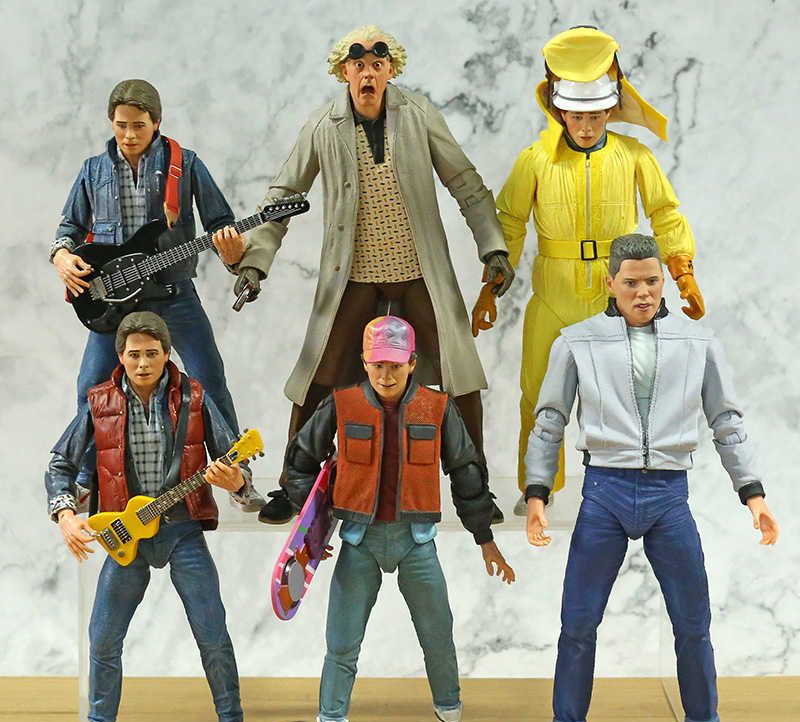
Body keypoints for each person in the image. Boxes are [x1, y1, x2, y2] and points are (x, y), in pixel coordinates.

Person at [215, 25, 513, 524]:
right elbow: (282, 196)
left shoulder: (418, 116)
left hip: (419, 271)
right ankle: (294, 486)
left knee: (458, 373)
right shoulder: (323, 126)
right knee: (319, 374)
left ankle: (475, 490)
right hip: (351, 275)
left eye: (377, 65)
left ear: (391, 69)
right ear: (343, 71)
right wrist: (254, 262)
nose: (368, 75)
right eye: (358, 66)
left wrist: (492, 246)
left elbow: (466, 182)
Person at [523, 233, 779, 722]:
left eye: (652, 281)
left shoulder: (697, 341)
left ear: (664, 281)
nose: (643, 292)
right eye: (631, 282)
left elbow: (726, 420)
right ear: (610, 283)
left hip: (669, 494)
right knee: (578, 620)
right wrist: (538, 492)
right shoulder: (577, 342)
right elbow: (549, 419)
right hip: (605, 491)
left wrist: (752, 492)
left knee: (693, 620)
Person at [475, 26, 703, 510]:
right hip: (552, 295)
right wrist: (490, 287)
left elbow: (665, 213)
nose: (585, 126)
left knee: (624, 397)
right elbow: (509, 221)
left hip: (615, 295)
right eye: (576, 115)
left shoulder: (634, 156)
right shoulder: (536, 160)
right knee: (539, 393)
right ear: (559, 110)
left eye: (595, 114)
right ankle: (538, 487)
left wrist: (682, 269)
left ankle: (623, 486)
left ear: (611, 110)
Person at [282, 315, 515, 722]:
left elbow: (466, 472)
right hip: (359, 541)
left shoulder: (437, 407)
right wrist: (311, 533)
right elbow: (302, 460)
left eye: (395, 365)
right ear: (364, 362)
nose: (385, 375)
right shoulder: (342, 404)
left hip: (416, 542)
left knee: (438, 639)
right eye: (377, 364)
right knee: (341, 645)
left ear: (412, 363)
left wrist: (485, 539)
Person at [46, 311, 257, 722]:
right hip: (128, 538)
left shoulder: (195, 398)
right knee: (103, 637)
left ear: (167, 354)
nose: (143, 363)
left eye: (152, 353)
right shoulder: (99, 402)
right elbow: (60, 463)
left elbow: (236, 461)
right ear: (120, 357)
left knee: (212, 633)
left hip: (182, 530)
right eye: (134, 354)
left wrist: (238, 480)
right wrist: (64, 514)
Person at [49, 78, 261, 509]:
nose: (129, 135)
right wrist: (61, 256)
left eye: (139, 126)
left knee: (208, 378)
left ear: (157, 122)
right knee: (90, 385)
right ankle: (85, 479)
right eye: (121, 125)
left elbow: (221, 221)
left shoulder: (185, 164)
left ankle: (237, 473)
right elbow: (69, 227)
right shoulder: (92, 170)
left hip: (173, 292)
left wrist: (232, 248)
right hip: (112, 302)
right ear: (111, 122)